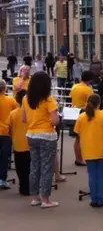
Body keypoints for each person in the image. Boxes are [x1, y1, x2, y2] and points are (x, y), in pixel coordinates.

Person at [22, 71, 60, 208]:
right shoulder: (48, 99)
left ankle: (35, 197)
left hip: (31, 135)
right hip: (47, 136)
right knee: (46, 167)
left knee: (34, 166)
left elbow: (23, 118)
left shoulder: (26, 98)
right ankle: (46, 199)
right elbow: (55, 121)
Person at [73, 94, 103, 207]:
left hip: (88, 150)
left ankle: (93, 199)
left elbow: (77, 132)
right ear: (99, 103)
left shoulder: (82, 117)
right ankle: (100, 199)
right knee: (101, 176)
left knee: (92, 175)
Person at [70, 71, 95, 166]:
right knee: (81, 138)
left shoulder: (74, 87)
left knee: (77, 138)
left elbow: (71, 97)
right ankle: (80, 159)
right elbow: (91, 104)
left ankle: (78, 158)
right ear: (90, 79)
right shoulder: (88, 90)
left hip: (73, 112)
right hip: (83, 112)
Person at [8, 90, 29, 195]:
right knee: (29, 167)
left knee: (19, 167)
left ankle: (23, 186)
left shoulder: (13, 113)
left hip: (17, 144)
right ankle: (29, 187)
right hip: (29, 144)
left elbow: (9, 129)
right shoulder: (31, 112)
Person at [0, 79, 19, 189]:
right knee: (4, 157)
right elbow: (17, 113)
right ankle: (2, 179)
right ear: (5, 88)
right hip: (6, 132)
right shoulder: (11, 100)